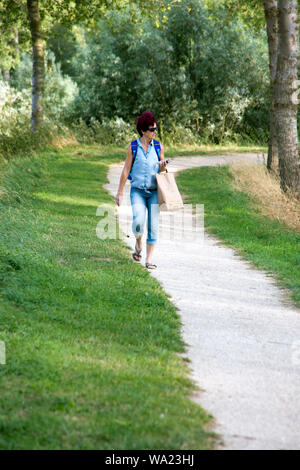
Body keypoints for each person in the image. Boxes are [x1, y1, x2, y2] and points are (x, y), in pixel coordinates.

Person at [115, 110, 168, 269]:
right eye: (152, 129)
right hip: (137, 191)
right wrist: (119, 192)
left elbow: (162, 173)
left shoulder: (158, 147)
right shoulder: (133, 147)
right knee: (138, 222)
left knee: (152, 226)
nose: (155, 132)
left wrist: (163, 167)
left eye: (156, 129)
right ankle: (138, 244)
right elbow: (126, 171)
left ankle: (149, 260)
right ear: (143, 130)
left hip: (153, 192)